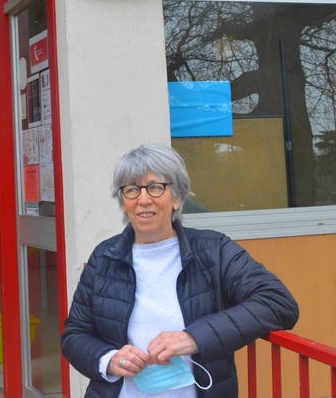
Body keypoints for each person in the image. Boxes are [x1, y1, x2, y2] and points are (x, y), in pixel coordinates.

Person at [61, 143, 299, 397]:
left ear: (177, 197)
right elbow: (75, 335)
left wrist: (194, 338)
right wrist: (108, 359)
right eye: (131, 190)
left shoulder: (214, 250)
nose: (143, 200)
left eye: (155, 187)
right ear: (122, 202)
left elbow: (279, 302)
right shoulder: (104, 257)